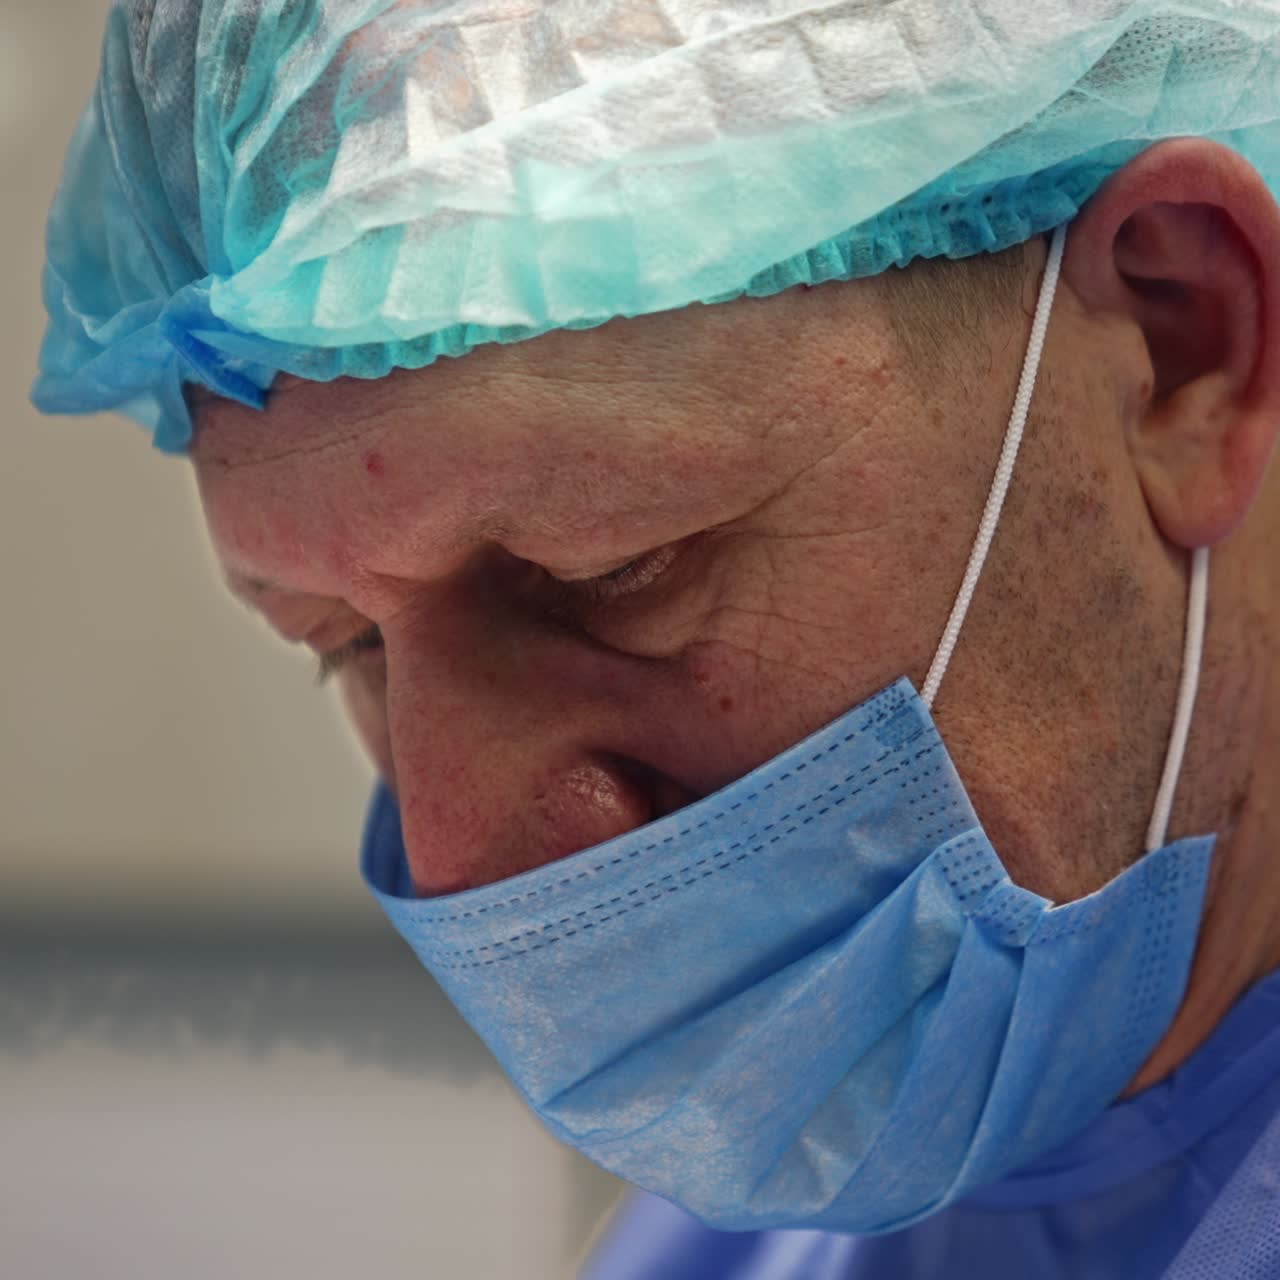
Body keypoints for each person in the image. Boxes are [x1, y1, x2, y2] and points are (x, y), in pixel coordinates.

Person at [31, 2, 1280, 1275]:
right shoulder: (778, 1219)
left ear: (1182, 346)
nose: (460, 857)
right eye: (340, 640)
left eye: (608, 567)